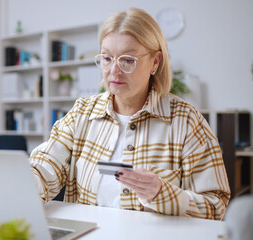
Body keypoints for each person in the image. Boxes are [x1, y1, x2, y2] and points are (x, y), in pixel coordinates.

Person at [29, 7, 230, 220]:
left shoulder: (186, 121)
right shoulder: (82, 113)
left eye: (127, 60)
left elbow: (216, 205)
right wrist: (23, 183)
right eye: (107, 58)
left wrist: (163, 194)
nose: (114, 71)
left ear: (155, 61)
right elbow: (47, 165)